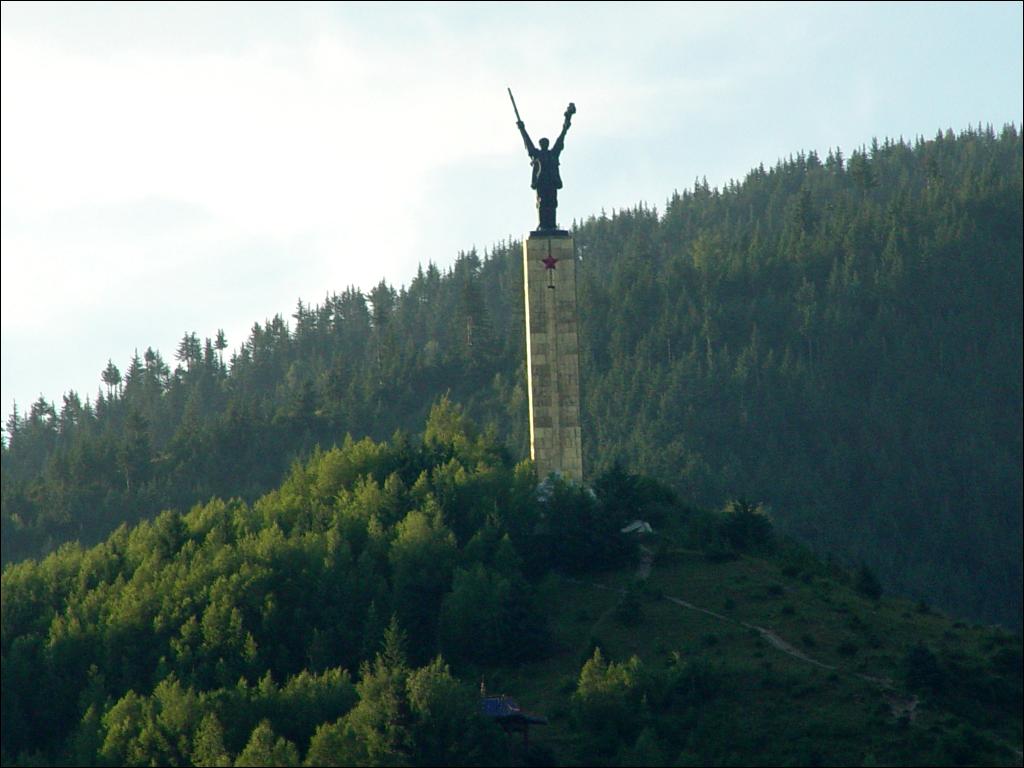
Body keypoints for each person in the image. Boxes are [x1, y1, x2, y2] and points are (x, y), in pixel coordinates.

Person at [517, 103, 575, 231]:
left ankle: (550, 225)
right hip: (543, 184)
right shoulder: (543, 155)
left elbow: (561, 138)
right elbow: (528, 143)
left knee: (550, 204)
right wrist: (522, 129)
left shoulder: (551, 154)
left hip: (550, 184)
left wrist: (567, 121)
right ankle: (544, 225)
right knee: (544, 204)